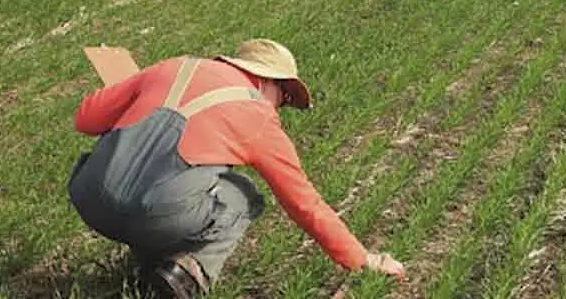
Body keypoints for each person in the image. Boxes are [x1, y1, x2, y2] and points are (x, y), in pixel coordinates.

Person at [67, 39, 406, 298]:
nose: (281, 107)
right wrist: (362, 259)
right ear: (266, 82)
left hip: (89, 197)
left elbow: (86, 119)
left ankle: (149, 271)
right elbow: (305, 203)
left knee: (170, 185)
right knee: (241, 194)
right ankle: (187, 275)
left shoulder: (173, 67)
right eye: (284, 97)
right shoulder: (258, 115)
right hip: (156, 214)